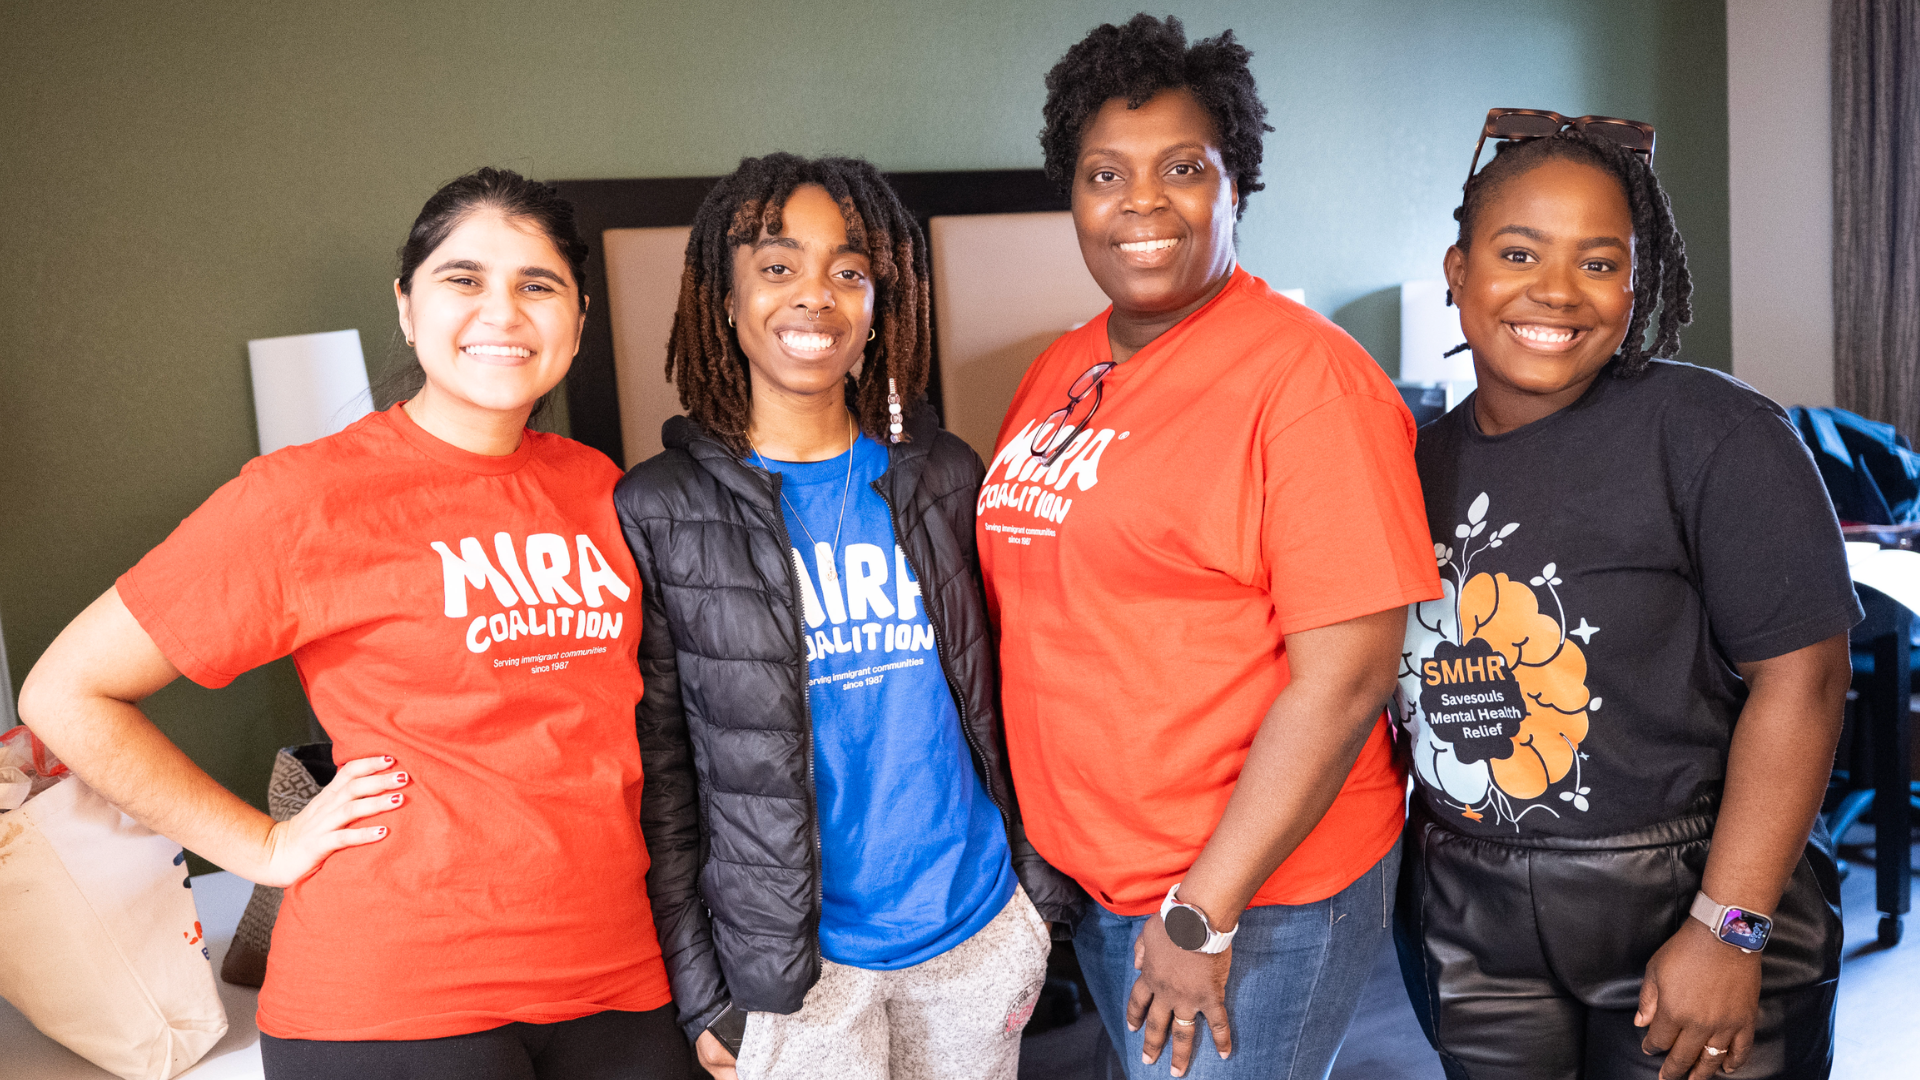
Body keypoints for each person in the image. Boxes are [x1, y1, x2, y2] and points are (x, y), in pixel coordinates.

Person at [18, 168, 692, 1079]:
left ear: (576, 322)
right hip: (390, 1000)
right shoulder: (305, 497)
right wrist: (260, 844)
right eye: (463, 280)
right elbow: (66, 692)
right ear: (408, 309)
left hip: (621, 979)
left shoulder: (604, 488)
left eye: (538, 286)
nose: (502, 313)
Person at [978, 15, 1444, 1079]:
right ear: (1073, 195)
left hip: (1252, 899)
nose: (1141, 202)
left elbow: (1349, 678)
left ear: (1238, 185)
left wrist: (1202, 915)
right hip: (1104, 885)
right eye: (1105, 174)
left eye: (1184, 168)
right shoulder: (1058, 369)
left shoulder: (1308, 381)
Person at [1392, 114, 1857, 1080]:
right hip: (1471, 917)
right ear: (1458, 268)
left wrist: (1729, 930)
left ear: (1636, 285)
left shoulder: (1714, 434)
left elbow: (1803, 684)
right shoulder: (1405, 463)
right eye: (1518, 252)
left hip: (1686, 891)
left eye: (1599, 263)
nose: (1556, 291)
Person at [614, 152, 1081, 1080]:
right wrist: (703, 986)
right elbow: (664, 777)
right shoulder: (661, 510)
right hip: (796, 971)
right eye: (779, 267)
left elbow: (1014, 693)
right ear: (725, 300)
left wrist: (1035, 902)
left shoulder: (945, 474)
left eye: (850, 270)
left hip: (979, 931)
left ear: (880, 304)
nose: (816, 296)